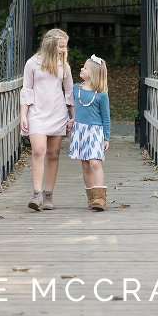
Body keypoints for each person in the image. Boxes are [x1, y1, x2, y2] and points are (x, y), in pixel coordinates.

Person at [20, 28, 74, 211]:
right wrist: (23, 116)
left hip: (57, 114)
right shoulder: (32, 63)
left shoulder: (64, 66)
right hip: (36, 113)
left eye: (65, 47)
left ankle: (49, 194)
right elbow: (27, 90)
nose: (63, 51)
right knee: (38, 150)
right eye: (61, 46)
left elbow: (69, 91)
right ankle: (37, 194)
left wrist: (73, 116)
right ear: (51, 44)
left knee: (53, 153)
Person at [68, 54, 110, 211]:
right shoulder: (76, 89)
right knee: (85, 165)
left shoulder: (101, 95)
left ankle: (100, 197)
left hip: (95, 131)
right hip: (80, 130)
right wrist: (71, 119)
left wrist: (106, 137)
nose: (81, 68)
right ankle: (91, 198)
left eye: (85, 68)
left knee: (95, 162)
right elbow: (71, 106)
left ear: (93, 73)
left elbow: (106, 118)